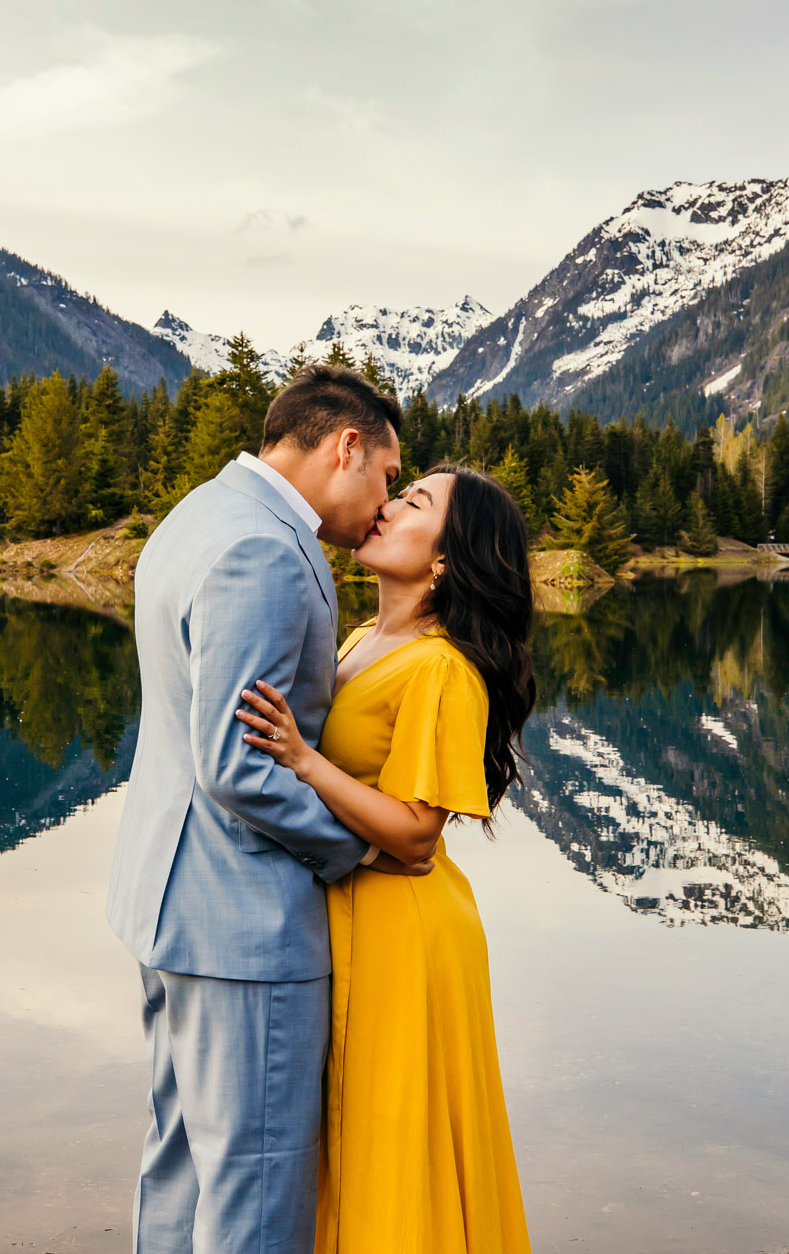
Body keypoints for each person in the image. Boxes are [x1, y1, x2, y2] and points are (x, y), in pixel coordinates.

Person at [107, 363, 422, 1254]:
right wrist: (360, 850)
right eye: (389, 478)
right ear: (346, 446)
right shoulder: (266, 549)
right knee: (257, 1185)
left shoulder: (199, 513)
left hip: (168, 908)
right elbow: (238, 767)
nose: (385, 501)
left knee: (178, 1165)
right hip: (242, 931)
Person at [234, 463, 537, 1254]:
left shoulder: (443, 667)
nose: (389, 505)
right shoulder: (369, 637)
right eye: (402, 491)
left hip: (408, 934)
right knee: (358, 1134)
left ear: (444, 560)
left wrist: (303, 760)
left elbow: (414, 833)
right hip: (361, 918)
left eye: (416, 502)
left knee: (394, 1144)